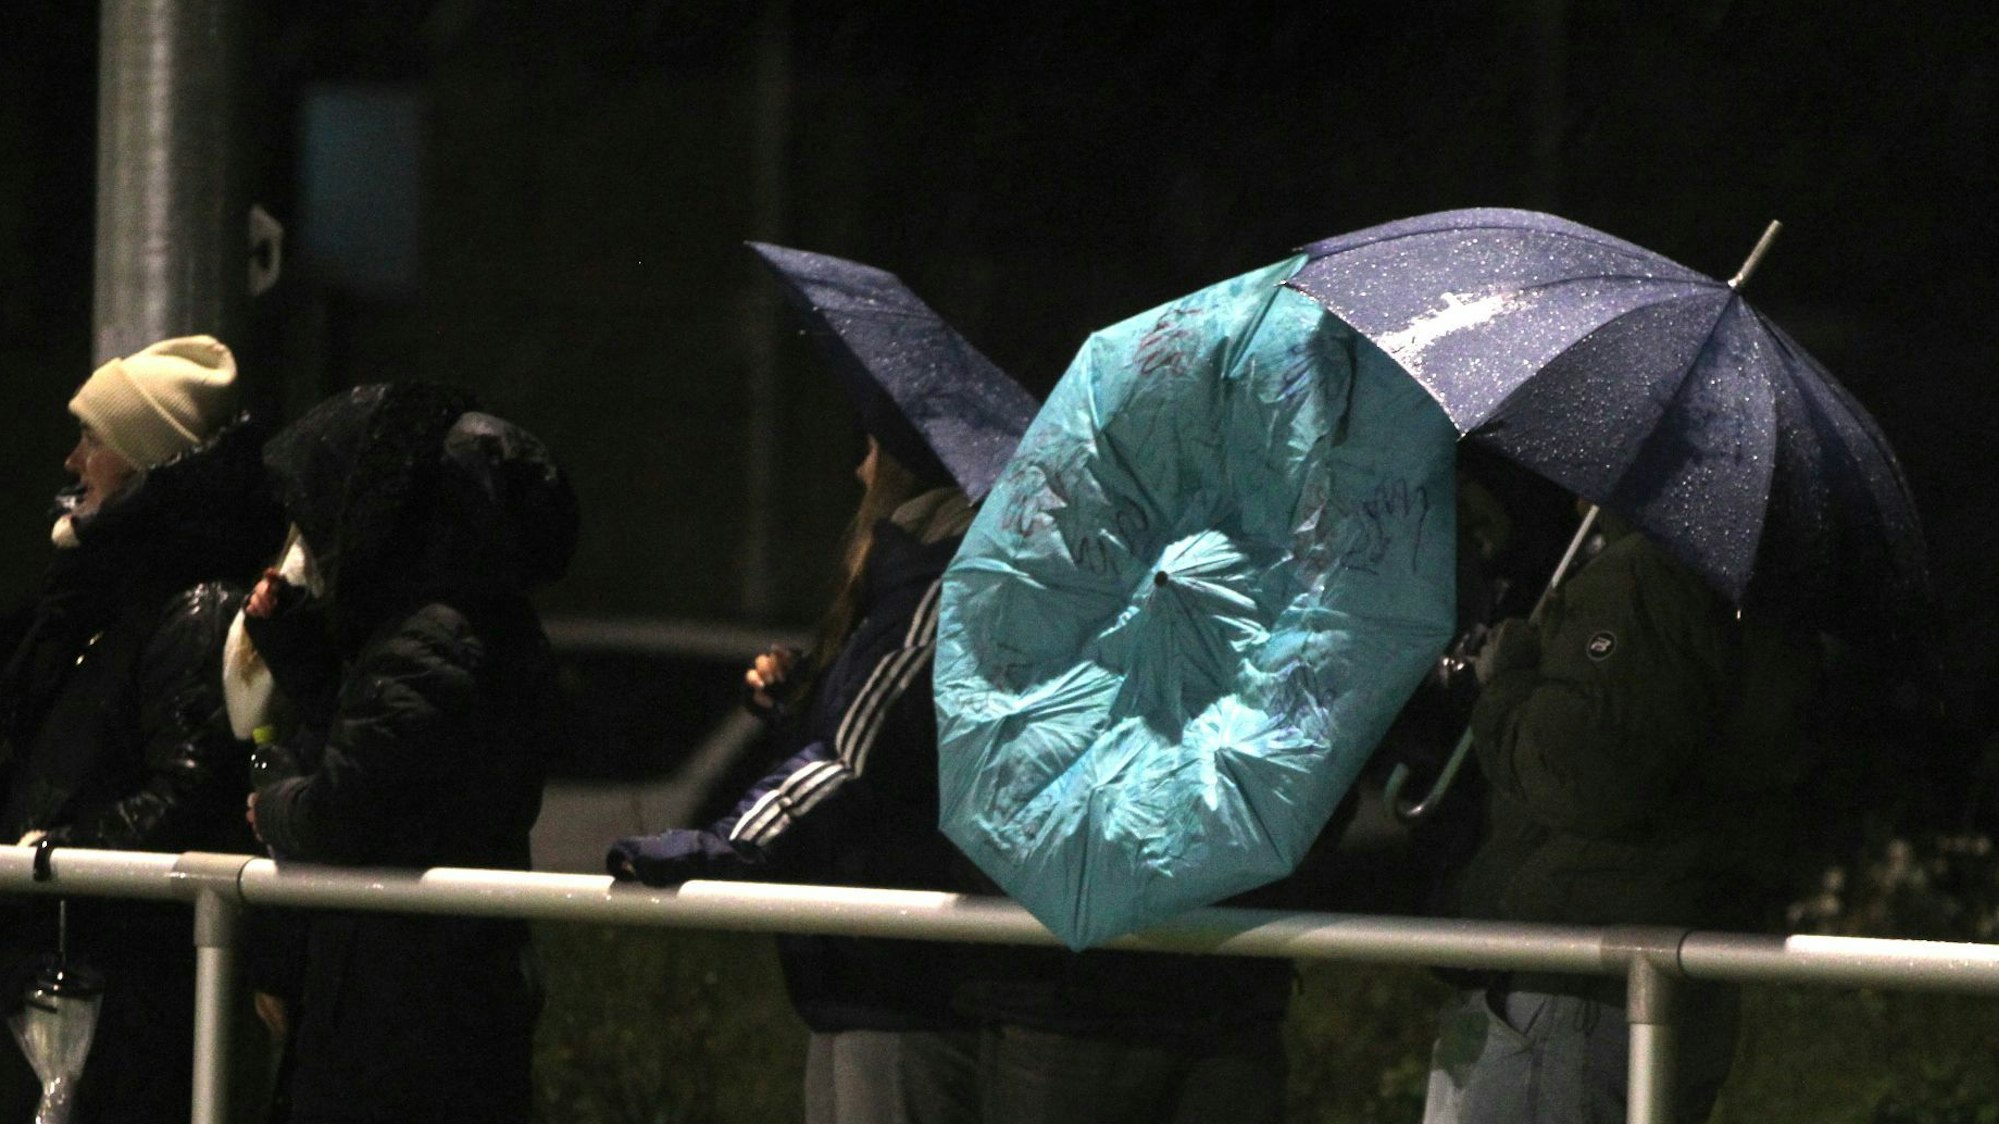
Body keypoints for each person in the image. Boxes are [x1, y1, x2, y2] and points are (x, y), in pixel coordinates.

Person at [612, 434, 984, 1124]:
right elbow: (869, 736)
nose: (858, 467)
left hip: (896, 970)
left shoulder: (939, 579)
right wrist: (797, 700)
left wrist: (721, 845)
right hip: (860, 961)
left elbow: (852, 760)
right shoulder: (905, 575)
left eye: (873, 446)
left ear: (911, 457)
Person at [239, 383, 577, 1124]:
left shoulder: (433, 637)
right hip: (432, 990)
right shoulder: (468, 627)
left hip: (403, 1004)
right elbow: (387, 758)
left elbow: (347, 812)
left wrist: (272, 797)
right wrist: (303, 655)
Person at [1421, 505, 1821, 1124]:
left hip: (1577, 981)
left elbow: (1577, 774)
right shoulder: (1752, 585)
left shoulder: (1642, 577)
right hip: (1663, 978)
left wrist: (1505, 682)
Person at [0, 335, 282, 1122]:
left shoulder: (188, 607)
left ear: (146, 461)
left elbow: (189, 791)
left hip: (120, 993)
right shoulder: (103, 596)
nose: (71, 460)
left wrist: (48, 855)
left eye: (95, 438)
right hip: (69, 968)